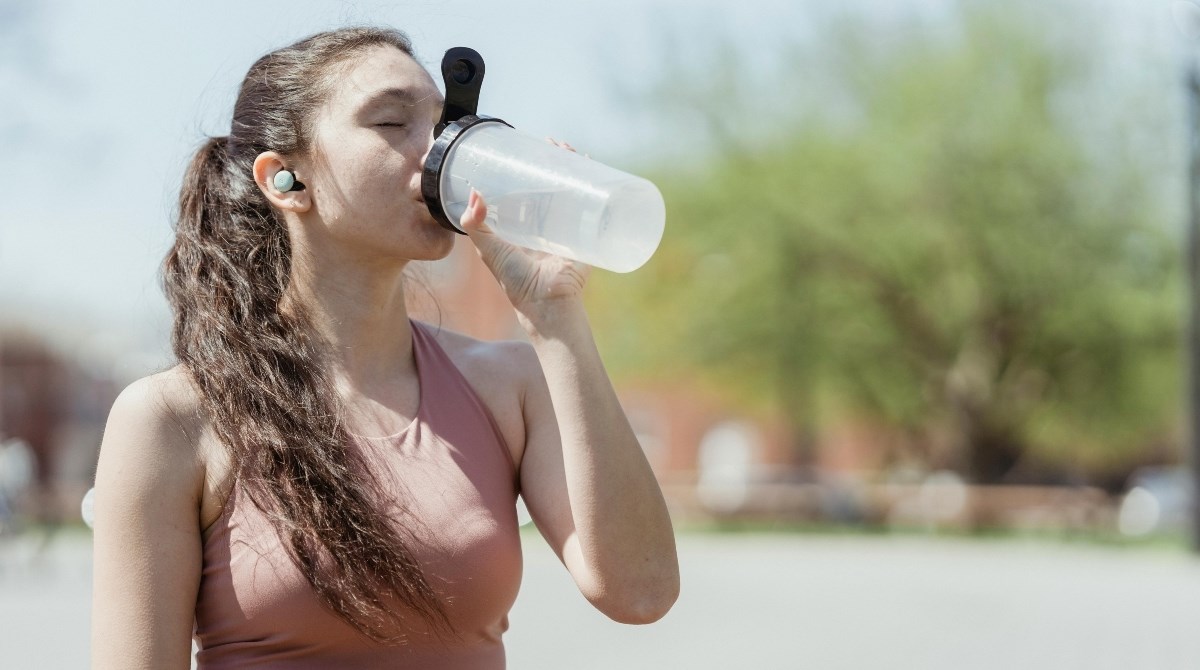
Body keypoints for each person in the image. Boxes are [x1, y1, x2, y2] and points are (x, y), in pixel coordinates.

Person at [90, 27, 679, 669]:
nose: (440, 152)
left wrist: (556, 315)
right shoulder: (174, 418)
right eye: (394, 122)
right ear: (287, 180)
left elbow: (641, 591)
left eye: (447, 120)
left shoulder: (508, 383)